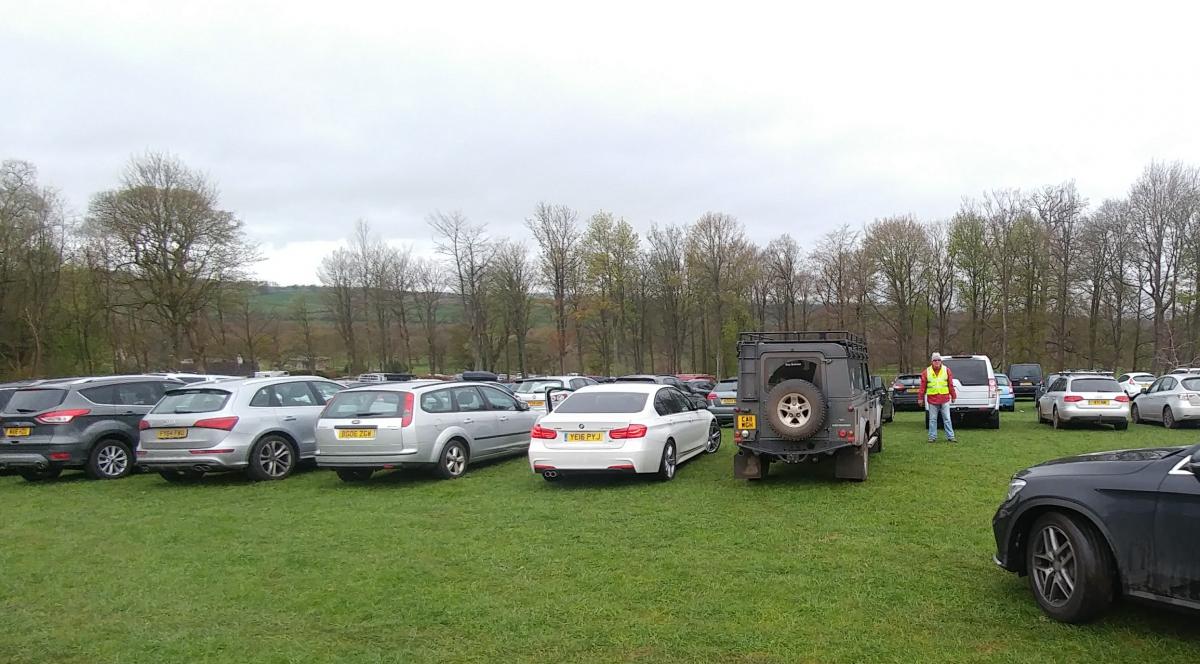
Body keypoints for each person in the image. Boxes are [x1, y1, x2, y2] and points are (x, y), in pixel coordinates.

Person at [918, 352, 957, 443]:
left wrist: (953, 395)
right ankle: (932, 437)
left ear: (941, 361)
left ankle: (951, 436)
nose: (937, 362)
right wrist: (920, 398)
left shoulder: (947, 370)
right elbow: (922, 387)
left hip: (944, 399)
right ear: (932, 361)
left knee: (947, 418)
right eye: (935, 360)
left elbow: (950, 385)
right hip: (932, 400)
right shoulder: (926, 372)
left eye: (938, 360)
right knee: (932, 419)